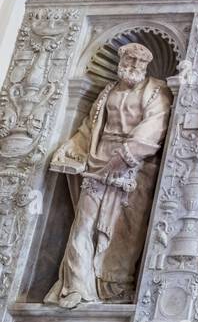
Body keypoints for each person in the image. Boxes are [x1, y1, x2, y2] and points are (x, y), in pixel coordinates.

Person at [45, 43, 172, 308]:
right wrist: (72, 149)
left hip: (135, 168)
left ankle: (113, 285)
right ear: (120, 60)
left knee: (123, 230)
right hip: (98, 162)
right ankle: (77, 286)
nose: (134, 65)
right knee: (83, 223)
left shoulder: (156, 91)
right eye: (130, 59)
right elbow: (90, 126)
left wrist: (127, 154)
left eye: (140, 61)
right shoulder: (108, 92)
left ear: (147, 65)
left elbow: (154, 127)